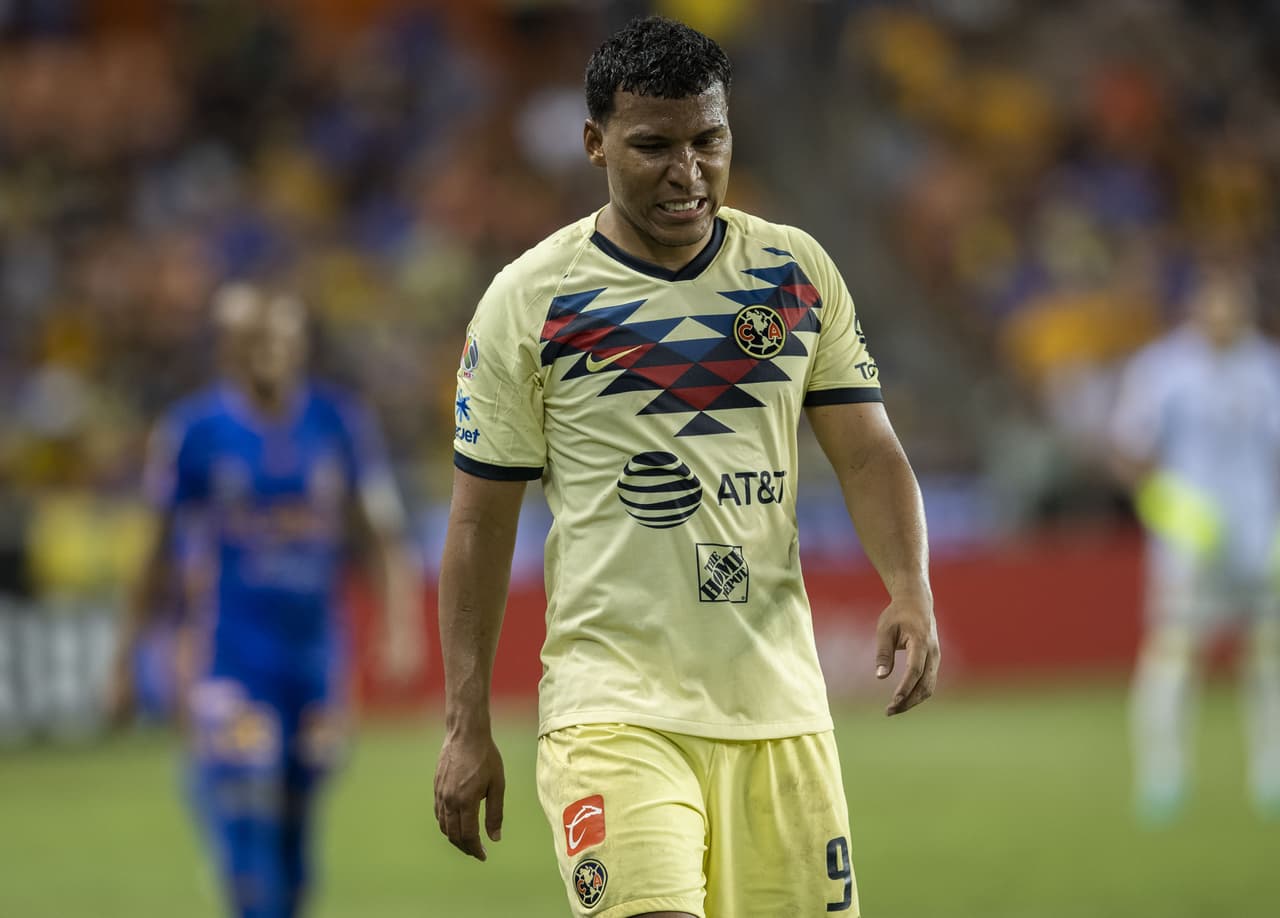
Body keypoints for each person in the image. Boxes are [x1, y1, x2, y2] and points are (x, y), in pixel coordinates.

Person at [433, 16, 939, 917]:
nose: (688, 170)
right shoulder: (532, 301)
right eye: (653, 146)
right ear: (595, 144)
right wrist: (467, 722)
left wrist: (909, 584)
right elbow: (478, 523)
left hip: (780, 708)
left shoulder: (794, 274)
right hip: (613, 708)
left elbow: (869, 451)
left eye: (709, 141)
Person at [107, 282, 424, 917]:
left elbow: (380, 536)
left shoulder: (339, 422)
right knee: (251, 808)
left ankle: (210, 796)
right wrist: (126, 657)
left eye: (281, 338)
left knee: (297, 824)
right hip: (233, 653)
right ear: (227, 348)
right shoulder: (194, 431)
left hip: (312, 657)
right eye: (253, 340)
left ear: (301, 344)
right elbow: (156, 554)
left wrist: (400, 624)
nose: (269, 352)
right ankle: (226, 826)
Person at [1111, 267, 1280, 823]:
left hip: (1261, 541)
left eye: (1234, 305)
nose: (1224, 316)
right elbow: (1128, 449)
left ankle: (1270, 774)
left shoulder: (1267, 369)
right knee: (1174, 654)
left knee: (1268, 658)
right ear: (1196, 307)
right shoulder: (1164, 370)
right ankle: (1163, 779)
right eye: (1215, 304)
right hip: (1189, 547)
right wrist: (1167, 506)